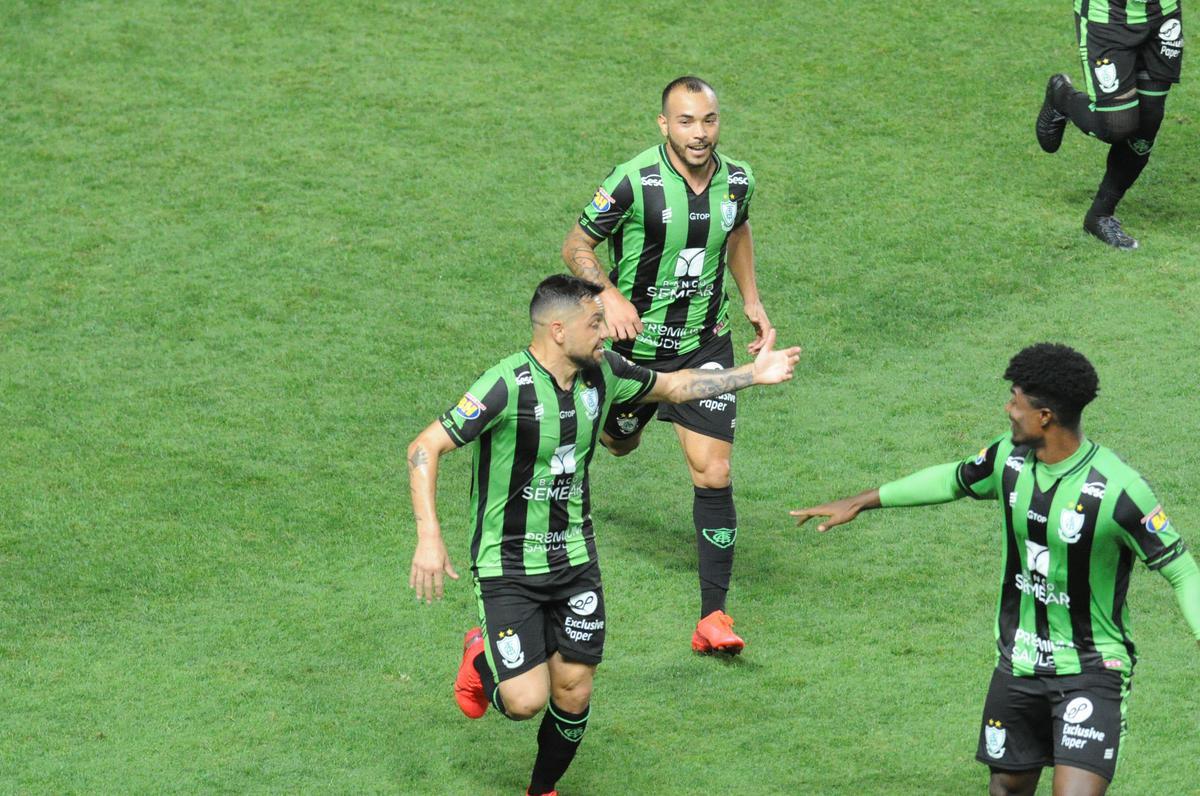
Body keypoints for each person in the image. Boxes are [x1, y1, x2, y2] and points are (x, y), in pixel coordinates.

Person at [408, 275, 800, 796]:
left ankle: (541, 790)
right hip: (508, 567)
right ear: (557, 329)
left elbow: (674, 386)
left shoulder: (605, 373)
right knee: (525, 702)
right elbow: (425, 447)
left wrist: (753, 373)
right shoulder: (505, 385)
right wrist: (429, 537)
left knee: (573, 693)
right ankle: (481, 656)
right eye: (595, 323)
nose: (606, 333)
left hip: (575, 562)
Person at [790, 343, 1200, 796]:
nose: (1008, 408)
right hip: (1018, 663)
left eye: (1016, 400)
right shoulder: (1009, 458)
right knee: (1006, 787)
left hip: (1090, 669)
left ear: (1044, 415)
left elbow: (1182, 571)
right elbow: (952, 479)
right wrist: (862, 501)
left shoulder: (1120, 491)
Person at [561, 75, 773, 654]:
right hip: (635, 353)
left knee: (714, 472)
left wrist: (751, 299)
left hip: (706, 344)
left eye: (708, 120)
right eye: (686, 121)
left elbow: (738, 229)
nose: (699, 133)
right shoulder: (634, 180)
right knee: (617, 444)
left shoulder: (739, 178)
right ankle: (618, 426)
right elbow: (577, 244)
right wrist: (607, 295)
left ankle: (713, 617)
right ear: (664, 125)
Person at [1035, 1, 1184, 249]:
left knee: (1148, 122)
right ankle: (1062, 97)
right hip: (1108, 16)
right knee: (1116, 126)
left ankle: (1100, 215)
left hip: (1163, 15)